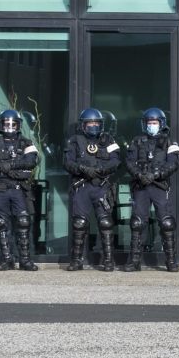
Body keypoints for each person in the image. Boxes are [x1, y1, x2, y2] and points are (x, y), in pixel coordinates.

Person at [0, 109, 40, 271]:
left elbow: (31, 162)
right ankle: (7, 259)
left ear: (19, 125)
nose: (10, 127)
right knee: (2, 223)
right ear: (0, 125)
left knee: (23, 222)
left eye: (13, 124)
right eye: (6, 124)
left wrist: (9, 166)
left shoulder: (26, 143)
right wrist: (0, 166)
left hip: (19, 189)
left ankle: (25, 260)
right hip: (0, 189)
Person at [124, 108, 179, 272]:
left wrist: (156, 175)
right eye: (149, 123)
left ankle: (171, 261)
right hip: (141, 186)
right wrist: (139, 174)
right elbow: (129, 162)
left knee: (167, 223)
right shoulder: (137, 141)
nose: (152, 126)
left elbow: (173, 164)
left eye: (154, 123)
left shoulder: (170, 142)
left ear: (161, 124)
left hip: (159, 186)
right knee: (137, 223)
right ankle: (134, 261)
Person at [64, 108, 121, 271]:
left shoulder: (109, 140)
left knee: (105, 222)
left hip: (101, 186)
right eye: (90, 123)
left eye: (96, 123)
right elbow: (67, 162)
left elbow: (116, 161)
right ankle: (76, 260)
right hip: (82, 186)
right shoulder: (74, 140)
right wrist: (83, 169)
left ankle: (109, 260)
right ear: (83, 125)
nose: (93, 126)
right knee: (79, 223)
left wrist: (102, 170)